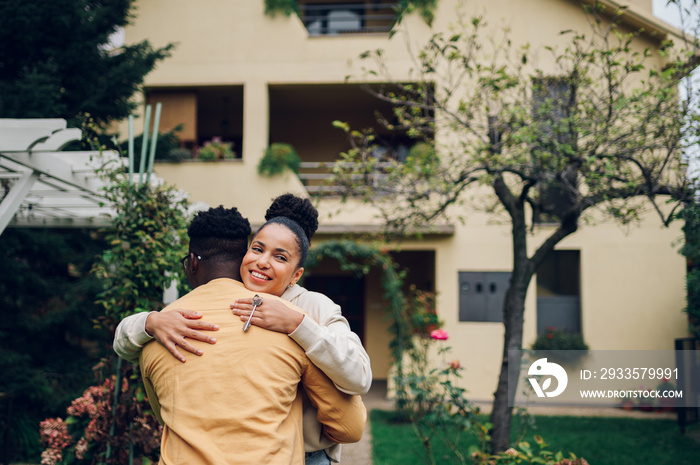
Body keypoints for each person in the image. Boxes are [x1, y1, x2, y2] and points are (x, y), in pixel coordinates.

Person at [114, 194, 371, 464]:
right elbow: (124, 343)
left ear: (297, 274)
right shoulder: (222, 300)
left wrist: (298, 325)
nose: (262, 262)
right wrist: (150, 322)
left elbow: (360, 379)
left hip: (304, 453)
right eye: (258, 249)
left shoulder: (313, 307)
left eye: (280, 257)